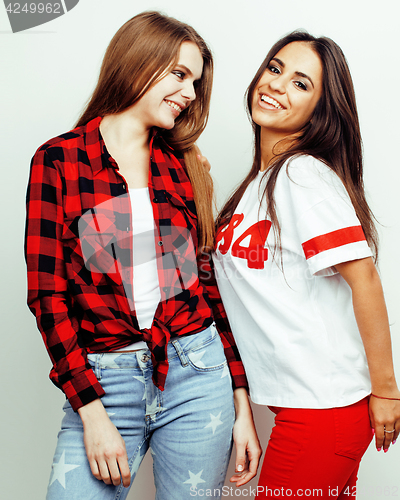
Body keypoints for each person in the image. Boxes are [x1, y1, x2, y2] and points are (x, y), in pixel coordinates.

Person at [25, 11, 261, 500]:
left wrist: (241, 404)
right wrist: (91, 413)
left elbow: (207, 288)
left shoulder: (182, 166)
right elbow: (48, 297)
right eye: (179, 74)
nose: (191, 93)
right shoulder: (59, 161)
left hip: (198, 374)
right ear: (137, 62)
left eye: (195, 81)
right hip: (105, 382)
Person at [213, 31, 400, 498]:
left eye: (300, 83)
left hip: (325, 410)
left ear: (319, 111)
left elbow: (365, 280)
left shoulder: (303, 175)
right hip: (304, 408)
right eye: (274, 69)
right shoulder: (258, 184)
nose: (276, 85)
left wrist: (387, 391)